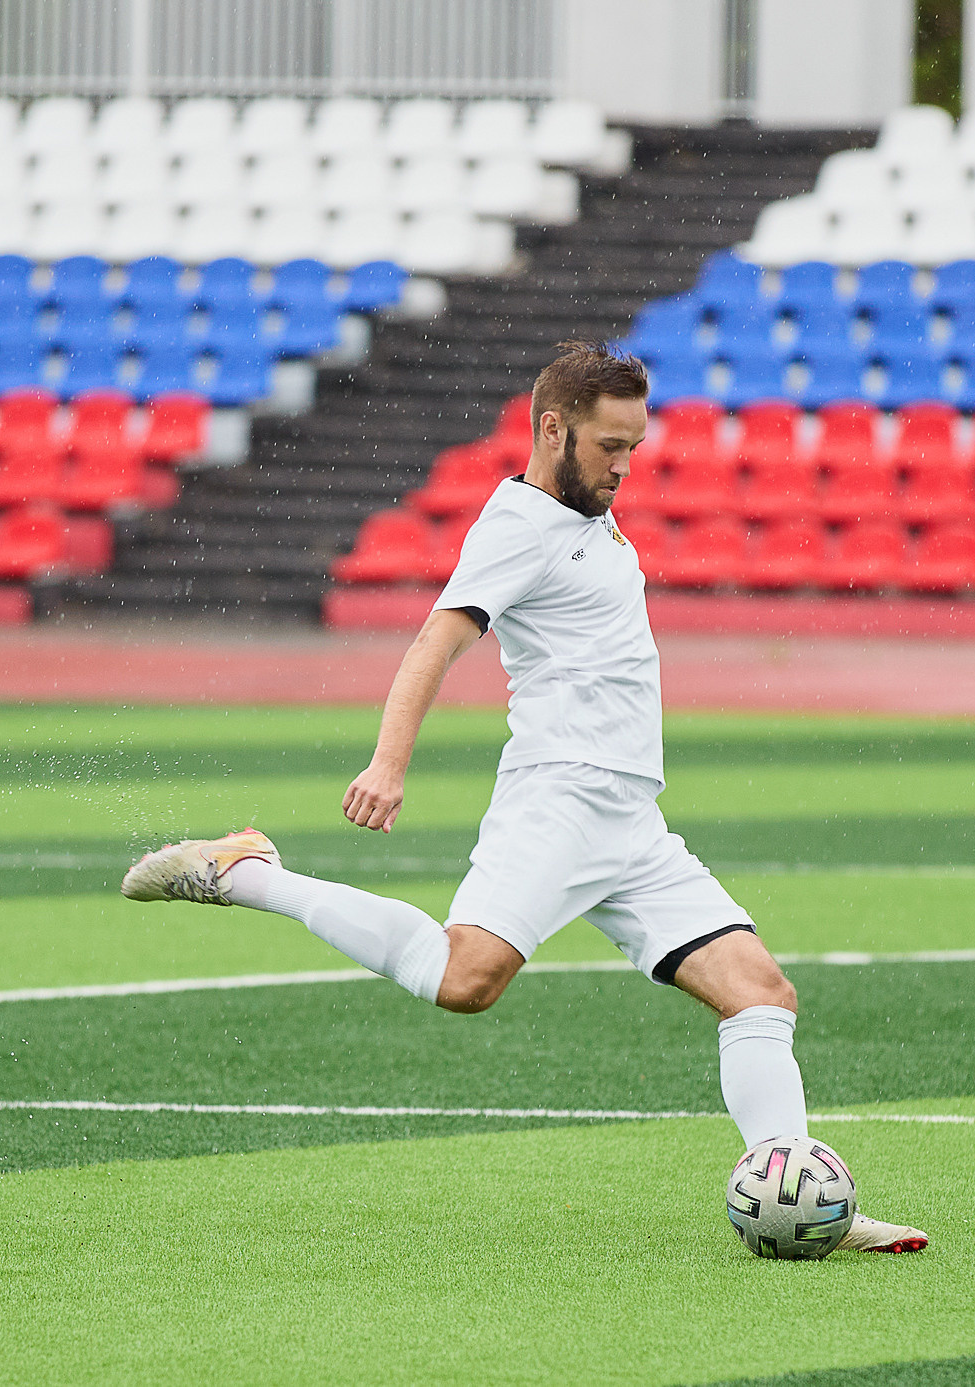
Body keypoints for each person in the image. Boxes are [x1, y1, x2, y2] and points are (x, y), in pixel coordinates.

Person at [119, 341, 927, 1252]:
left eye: (635, 445)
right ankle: (251, 872)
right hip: (560, 798)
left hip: (631, 820)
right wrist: (388, 763)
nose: (626, 465)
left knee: (761, 993)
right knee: (465, 981)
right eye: (610, 445)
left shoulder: (591, 514)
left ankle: (805, 1197)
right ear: (553, 429)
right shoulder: (517, 524)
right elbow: (434, 641)